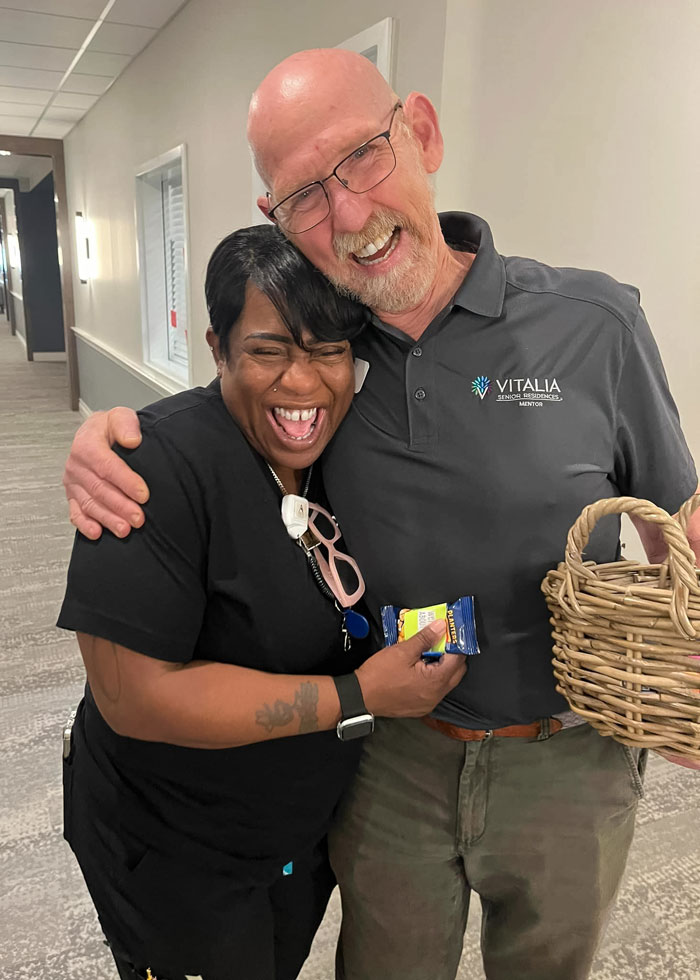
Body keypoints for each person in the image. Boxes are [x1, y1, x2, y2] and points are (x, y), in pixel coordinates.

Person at [63, 50, 700, 980]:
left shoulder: (593, 323)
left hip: (569, 756)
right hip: (391, 753)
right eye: (304, 196)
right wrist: (106, 441)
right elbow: (244, 391)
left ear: (425, 134)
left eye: (362, 157)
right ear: (276, 221)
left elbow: (676, 517)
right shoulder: (333, 348)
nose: (349, 214)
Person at [58, 224, 465, 980]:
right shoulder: (154, 472)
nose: (302, 383)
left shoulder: (340, 456)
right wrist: (358, 696)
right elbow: (133, 698)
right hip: (177, 853)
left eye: (329, 351)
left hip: (294, 839)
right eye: (269, 350)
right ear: (218, 348)